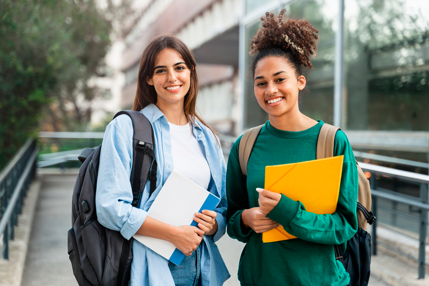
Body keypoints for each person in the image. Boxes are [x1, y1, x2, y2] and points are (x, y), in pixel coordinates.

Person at [226, 10, 358, 286]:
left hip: (320, 280)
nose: (270, 89)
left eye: (280, 79)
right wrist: (246, 219)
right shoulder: (245, 146)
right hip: (260, 278)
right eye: (261, 83)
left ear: (300, 81)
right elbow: (232, 218)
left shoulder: (332, 141)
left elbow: (345, 226)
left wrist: (290, 213)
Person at [96, 34, 230, 286]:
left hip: (202, 264)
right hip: (150, 266)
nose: (172, 77)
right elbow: (110, 206)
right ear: (149, 78)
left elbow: (222, 205)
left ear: (191, 72)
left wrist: (213, 224)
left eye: (179, 67)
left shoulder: (207, 137)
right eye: (161, 70)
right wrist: (173, 234)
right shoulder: (125, 128)